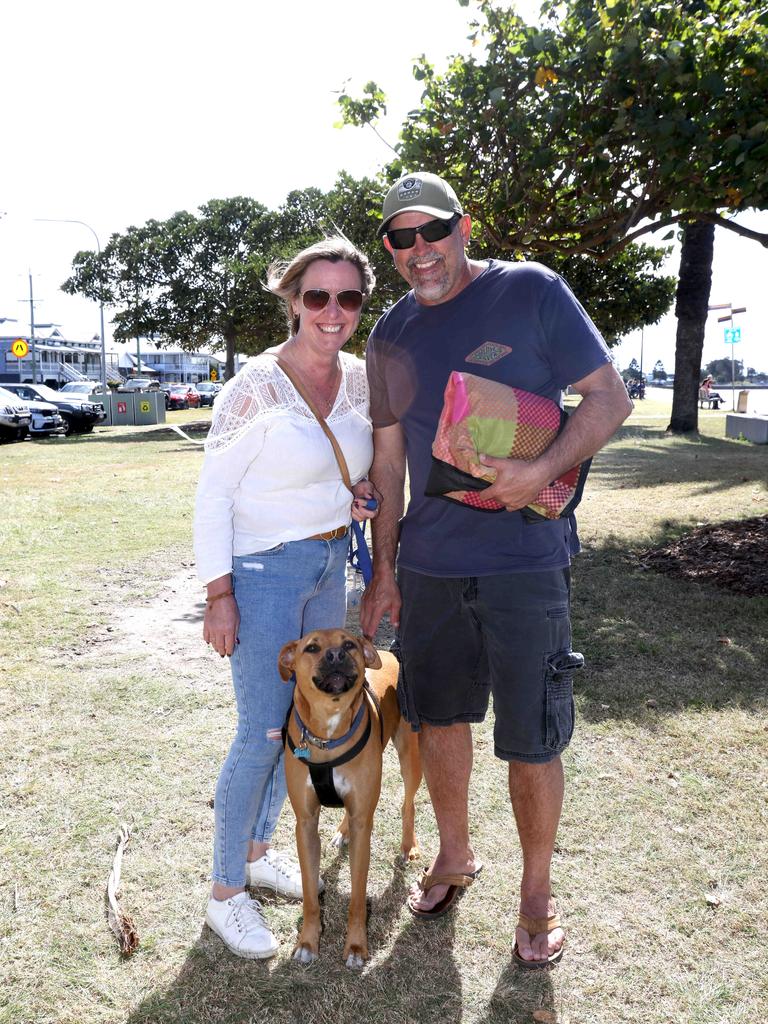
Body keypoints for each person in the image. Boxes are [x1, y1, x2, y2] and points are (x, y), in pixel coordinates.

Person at [360, 172, 632, 967]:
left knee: (533, 738)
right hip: (433, 564)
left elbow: (606, 398)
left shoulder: (532, 291)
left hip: (525, 560)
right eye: (400, 238)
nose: (420, 251)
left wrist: (536, 468)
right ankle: (453, 855)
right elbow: (386, 461)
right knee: (440, 718)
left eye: (432, 231)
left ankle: (537, 894)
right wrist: (385, 571)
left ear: (463, 227)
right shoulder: (388, 334)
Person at [193, 237, 378, 960]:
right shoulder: (255, 386)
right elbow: (214, 495)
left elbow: (346, 464)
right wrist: (219, 595)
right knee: (263, 731)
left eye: (349, 298)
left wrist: (354, 493)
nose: (333, 313)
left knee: (303, 726)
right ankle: (224, 894)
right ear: (293, 301)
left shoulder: (360, 380)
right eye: (317, 297)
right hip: (263, 570)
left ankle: (261, 852)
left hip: (330, 564)